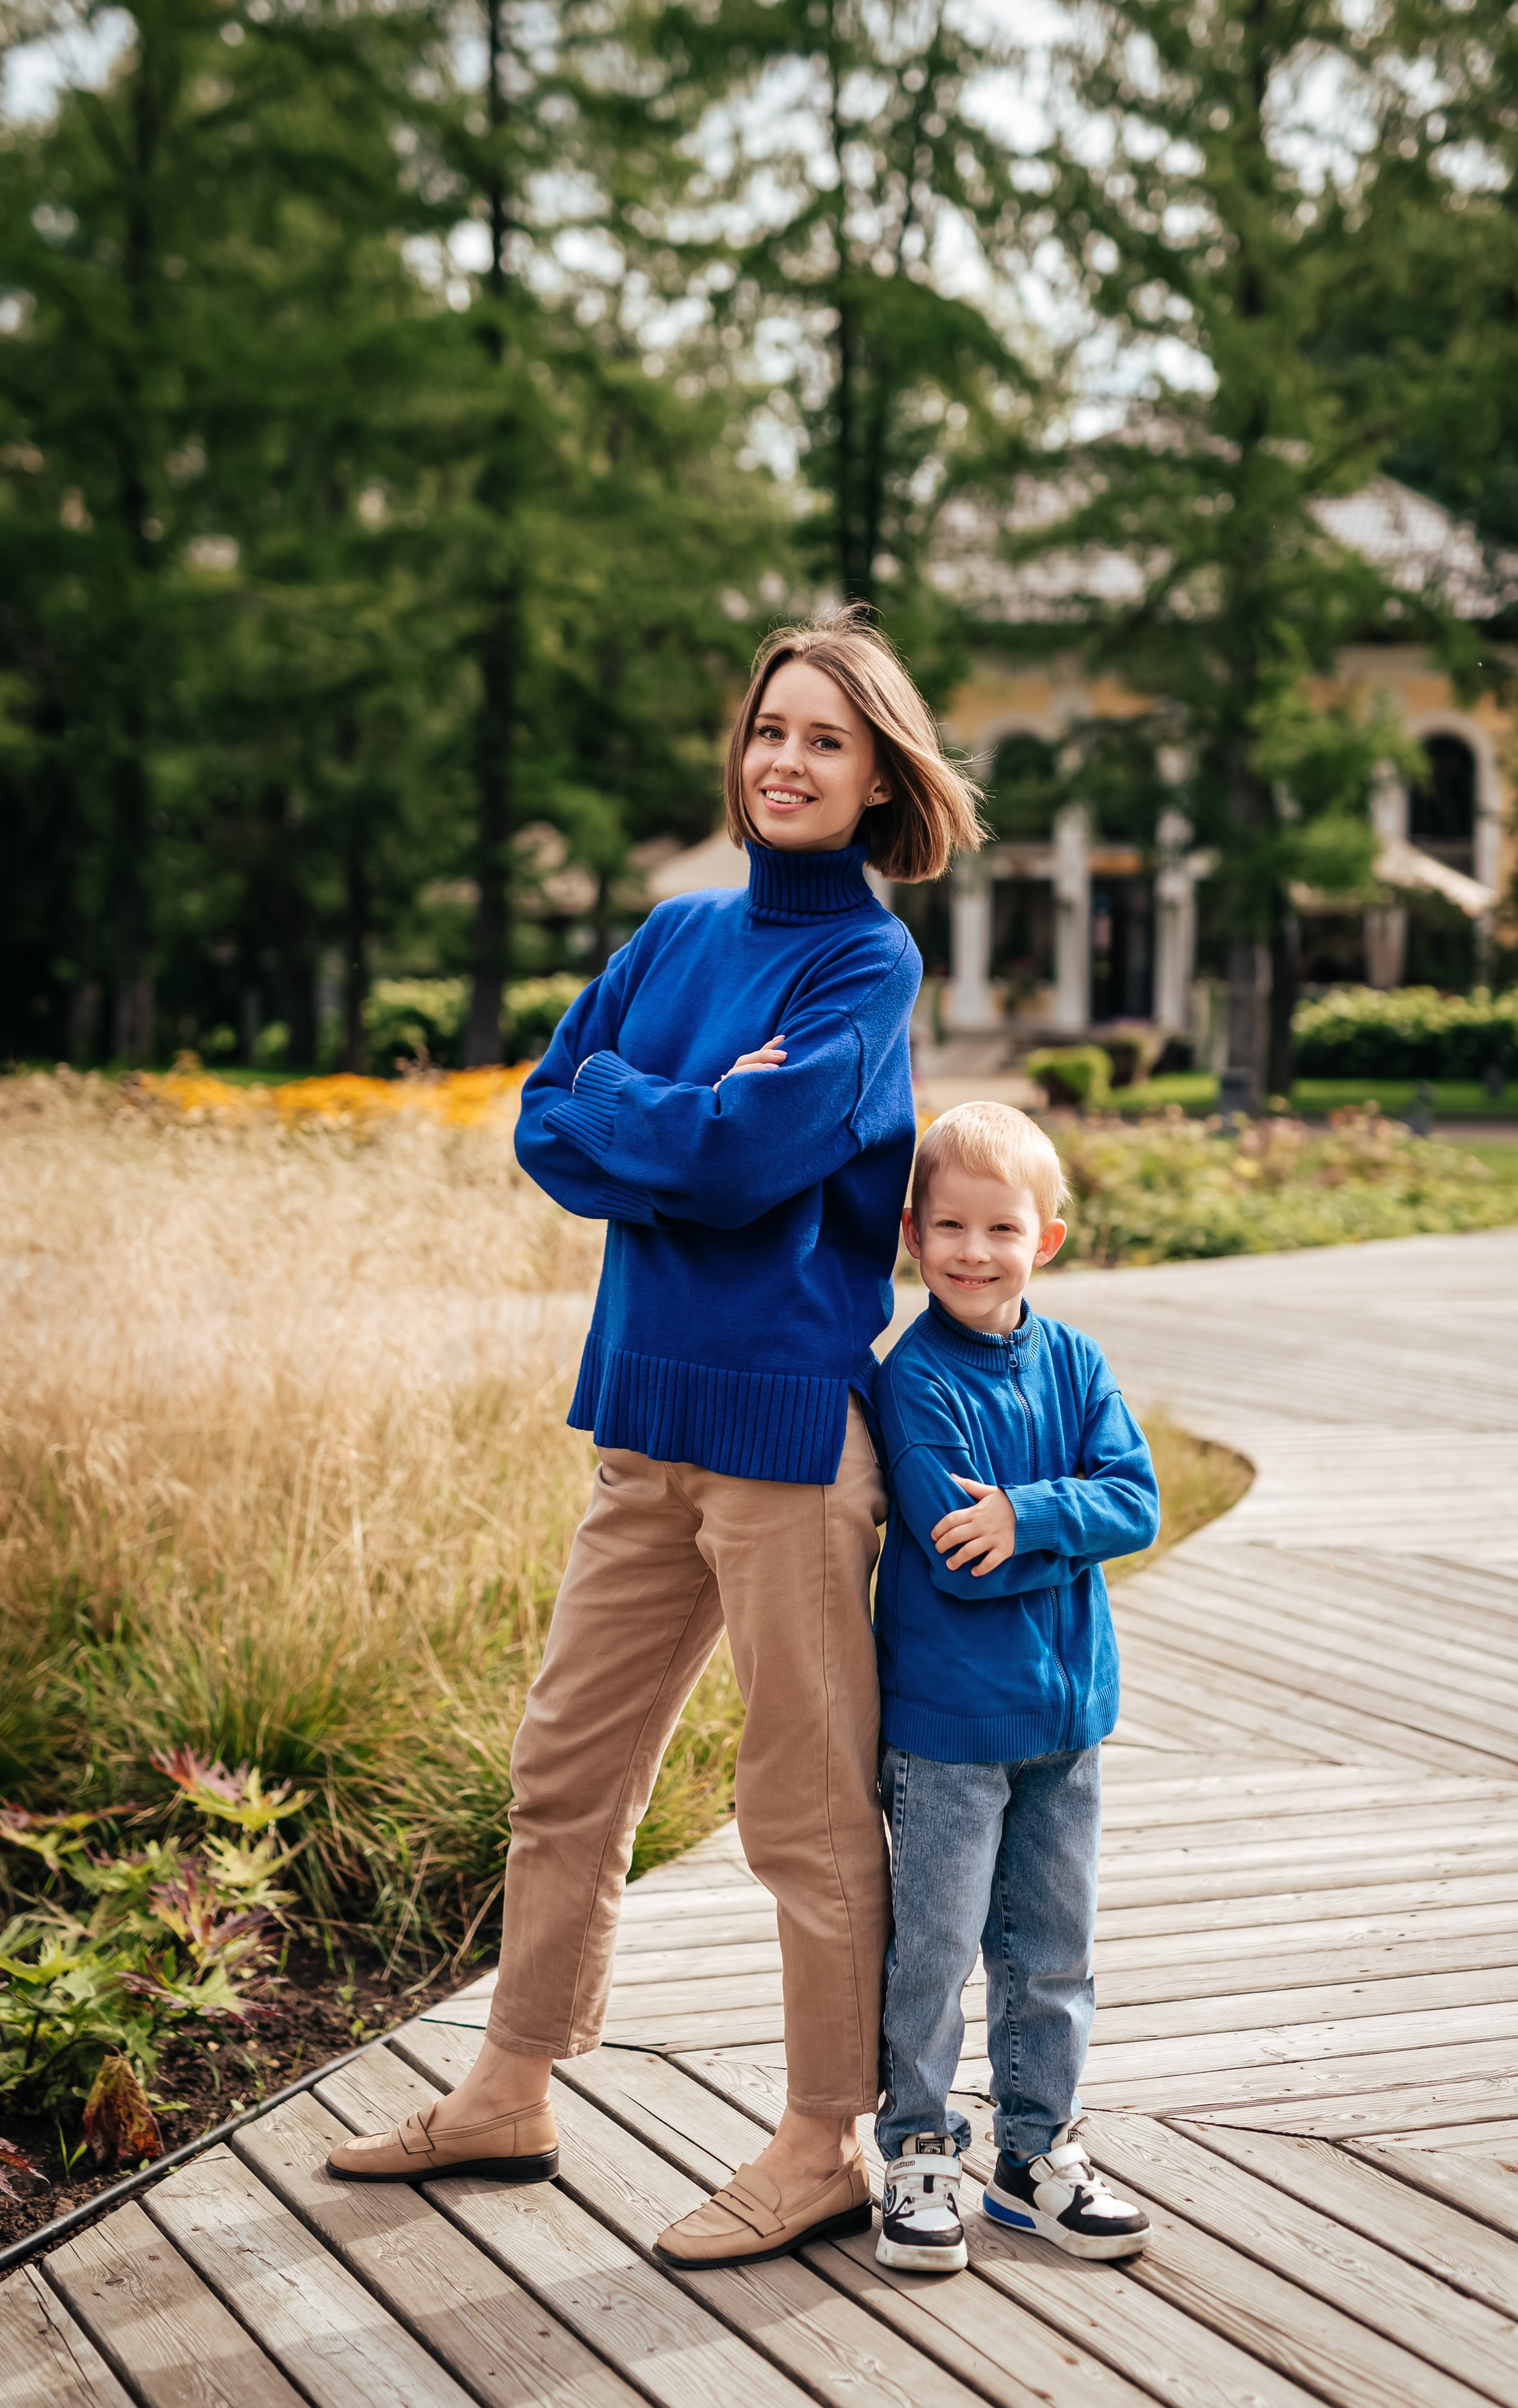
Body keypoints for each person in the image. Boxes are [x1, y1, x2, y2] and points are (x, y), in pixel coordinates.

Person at [328, 610, 981, 2270]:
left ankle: (823, 2135)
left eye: (827, 739)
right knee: (564, 1773)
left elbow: (747, 1158)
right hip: (641, 1421)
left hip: (782, 1444)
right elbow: (549, 1116)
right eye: (771, 729)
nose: (787, 760)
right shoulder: (676, 932)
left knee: (804, 1807)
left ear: (877, 771)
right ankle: (507, 2093)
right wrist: (666, 1116)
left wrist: (664, 1117)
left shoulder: (864, 963)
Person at [869, 1101, 1158, 2274]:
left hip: (1069, 1721)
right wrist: (1052, 1524)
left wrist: (1033, 1511)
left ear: (1050, 1237)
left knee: (1053, 1950)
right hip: (948, 1734)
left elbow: (1135, 1500)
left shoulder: (1079, 1362)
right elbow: (958, 1554)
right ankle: (920, 2150)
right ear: (912, 1233)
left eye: (1001, 1227)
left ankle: (1034, 2158)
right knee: (934, 1951)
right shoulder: (913, 1379)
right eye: (949, 1226)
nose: (974, 1252)